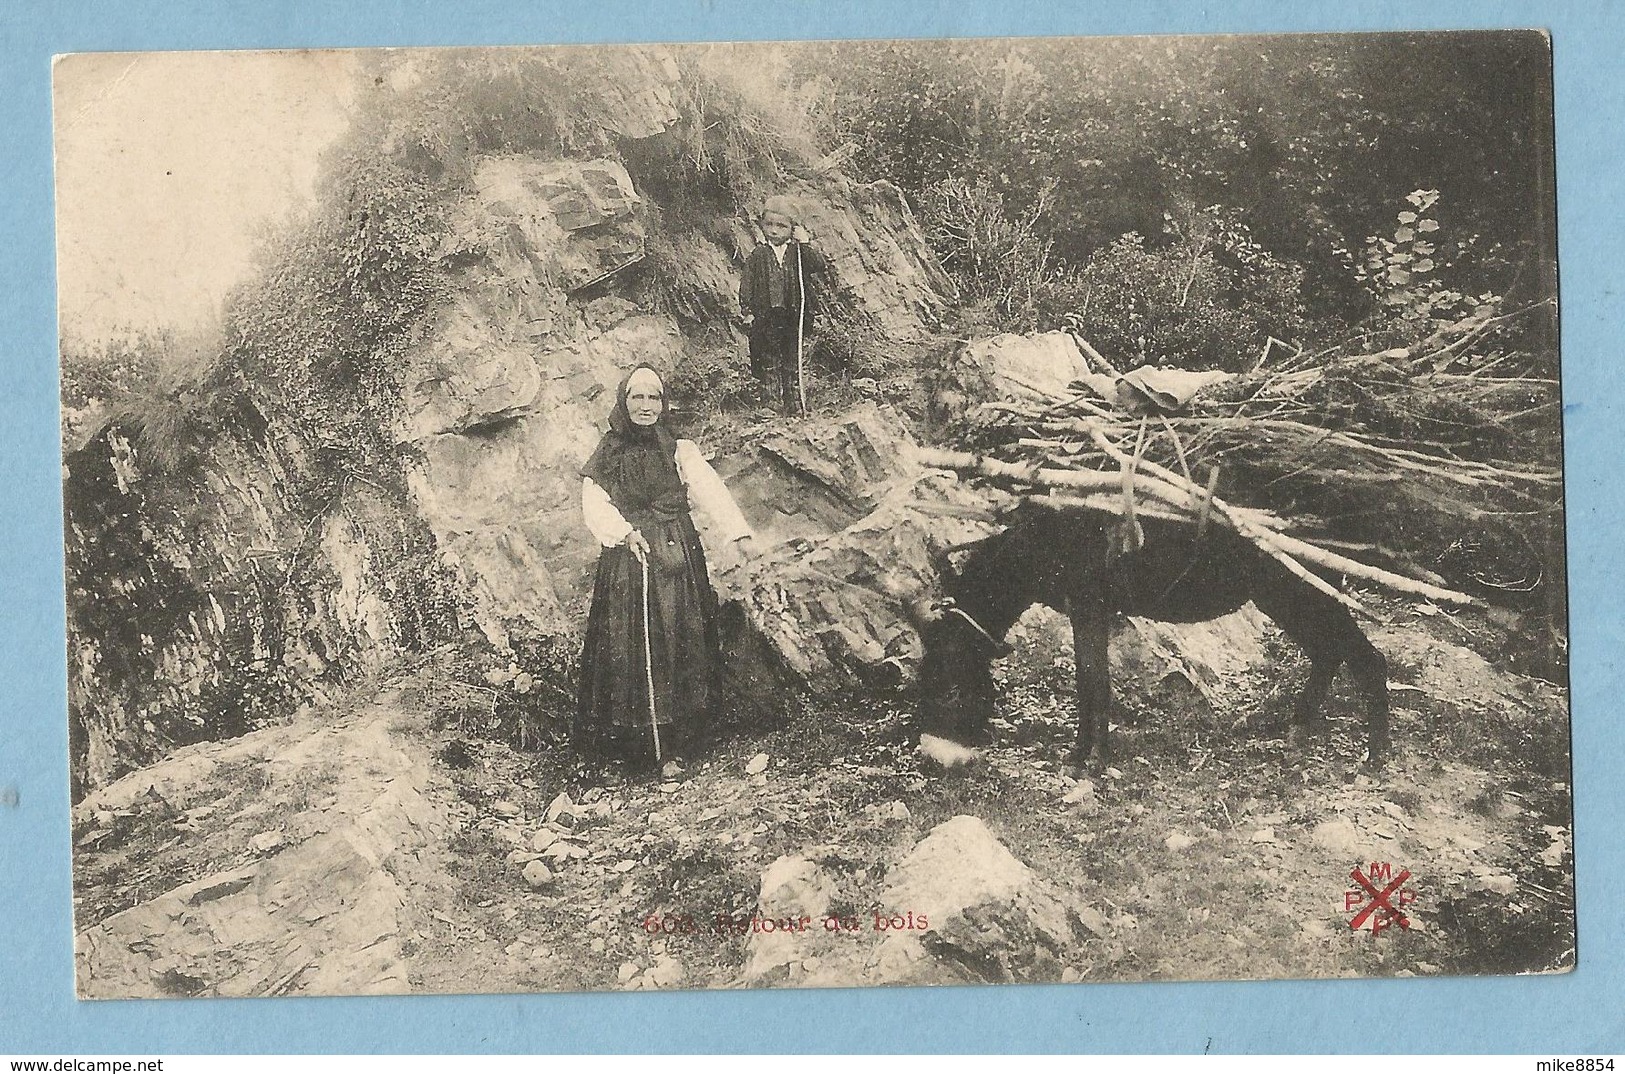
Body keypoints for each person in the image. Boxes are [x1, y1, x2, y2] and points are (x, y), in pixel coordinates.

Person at [576, 364, 755, 772]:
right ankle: (630, 748)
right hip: (629, 559)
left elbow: (710, 489)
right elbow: (594, 501)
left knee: (680, 636)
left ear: (663, 403)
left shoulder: (678, 448)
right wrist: (624, 533)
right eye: (637, 397)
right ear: (624, 402)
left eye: (653, 397)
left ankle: (678, 742)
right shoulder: (608, 451)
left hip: (677, 557)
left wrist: (738, 534)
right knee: (629, 645)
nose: (645, 406)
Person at [738, 195, 828, 415]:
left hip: (793, 317)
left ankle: (794, 403)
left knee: (792, 361)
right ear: (762, 226)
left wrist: (805, 242)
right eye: (769, 225)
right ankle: (771, 403)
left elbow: (818, 265)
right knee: (768, 361)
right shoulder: (758, 255)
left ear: (792, 229)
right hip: (767, 318)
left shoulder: (798, 253)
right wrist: (747, 311)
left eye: (782, 226)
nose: (774, 230)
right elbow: (747, 284)